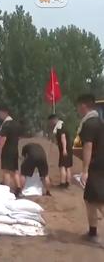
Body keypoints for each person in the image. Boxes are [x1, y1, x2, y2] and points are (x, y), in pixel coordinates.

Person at [73, 94, 104, 244]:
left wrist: (84, 170)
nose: (77, 109)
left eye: (78, 106)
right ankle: (92, 233)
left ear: (84, 105)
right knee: (89, 199)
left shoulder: (89, 123)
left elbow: (88, 146)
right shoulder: (98, 121)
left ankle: (93, 234)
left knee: (99, 201)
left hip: (96, 166)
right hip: (100, 164)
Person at [0, 107, 22, 196]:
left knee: (6, 171)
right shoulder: (16, 124)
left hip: (7, 150)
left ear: (4, 113)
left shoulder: (6, 124)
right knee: (15, 171)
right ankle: (18, 190)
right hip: (15, 150)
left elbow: (4, 138)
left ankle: (6, 191)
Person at [48, 114, 73, 188]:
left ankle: (62, 183)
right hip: (68, 148)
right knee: (67, 167)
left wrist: (64, 149)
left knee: (62, 166)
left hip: (65, 149)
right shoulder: (62, 125)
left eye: (50, 121)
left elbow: (63, 138)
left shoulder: (60, 127)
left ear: (54, 119)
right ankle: (67, 182)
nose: (50, 123)